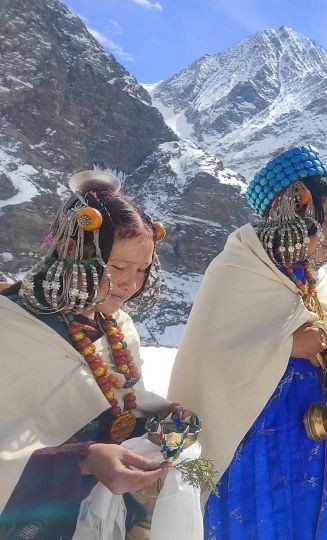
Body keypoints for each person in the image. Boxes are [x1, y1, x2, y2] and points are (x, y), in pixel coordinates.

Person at [168, 147, 327, 539]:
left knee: (306, 515)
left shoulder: (310, 276)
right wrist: (287, 346)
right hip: (254, 434)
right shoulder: (237, 267)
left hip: (311, 429)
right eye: (325, 222)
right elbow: (214, 357)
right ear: (292, 215)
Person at [0, 170, 190, 538]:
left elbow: (113, 402)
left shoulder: (117, 327)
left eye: (143, 270)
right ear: (74, 251)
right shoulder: (10, 329)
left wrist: (157, 417)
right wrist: (83, 460)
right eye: (118, 267)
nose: (131, 284)